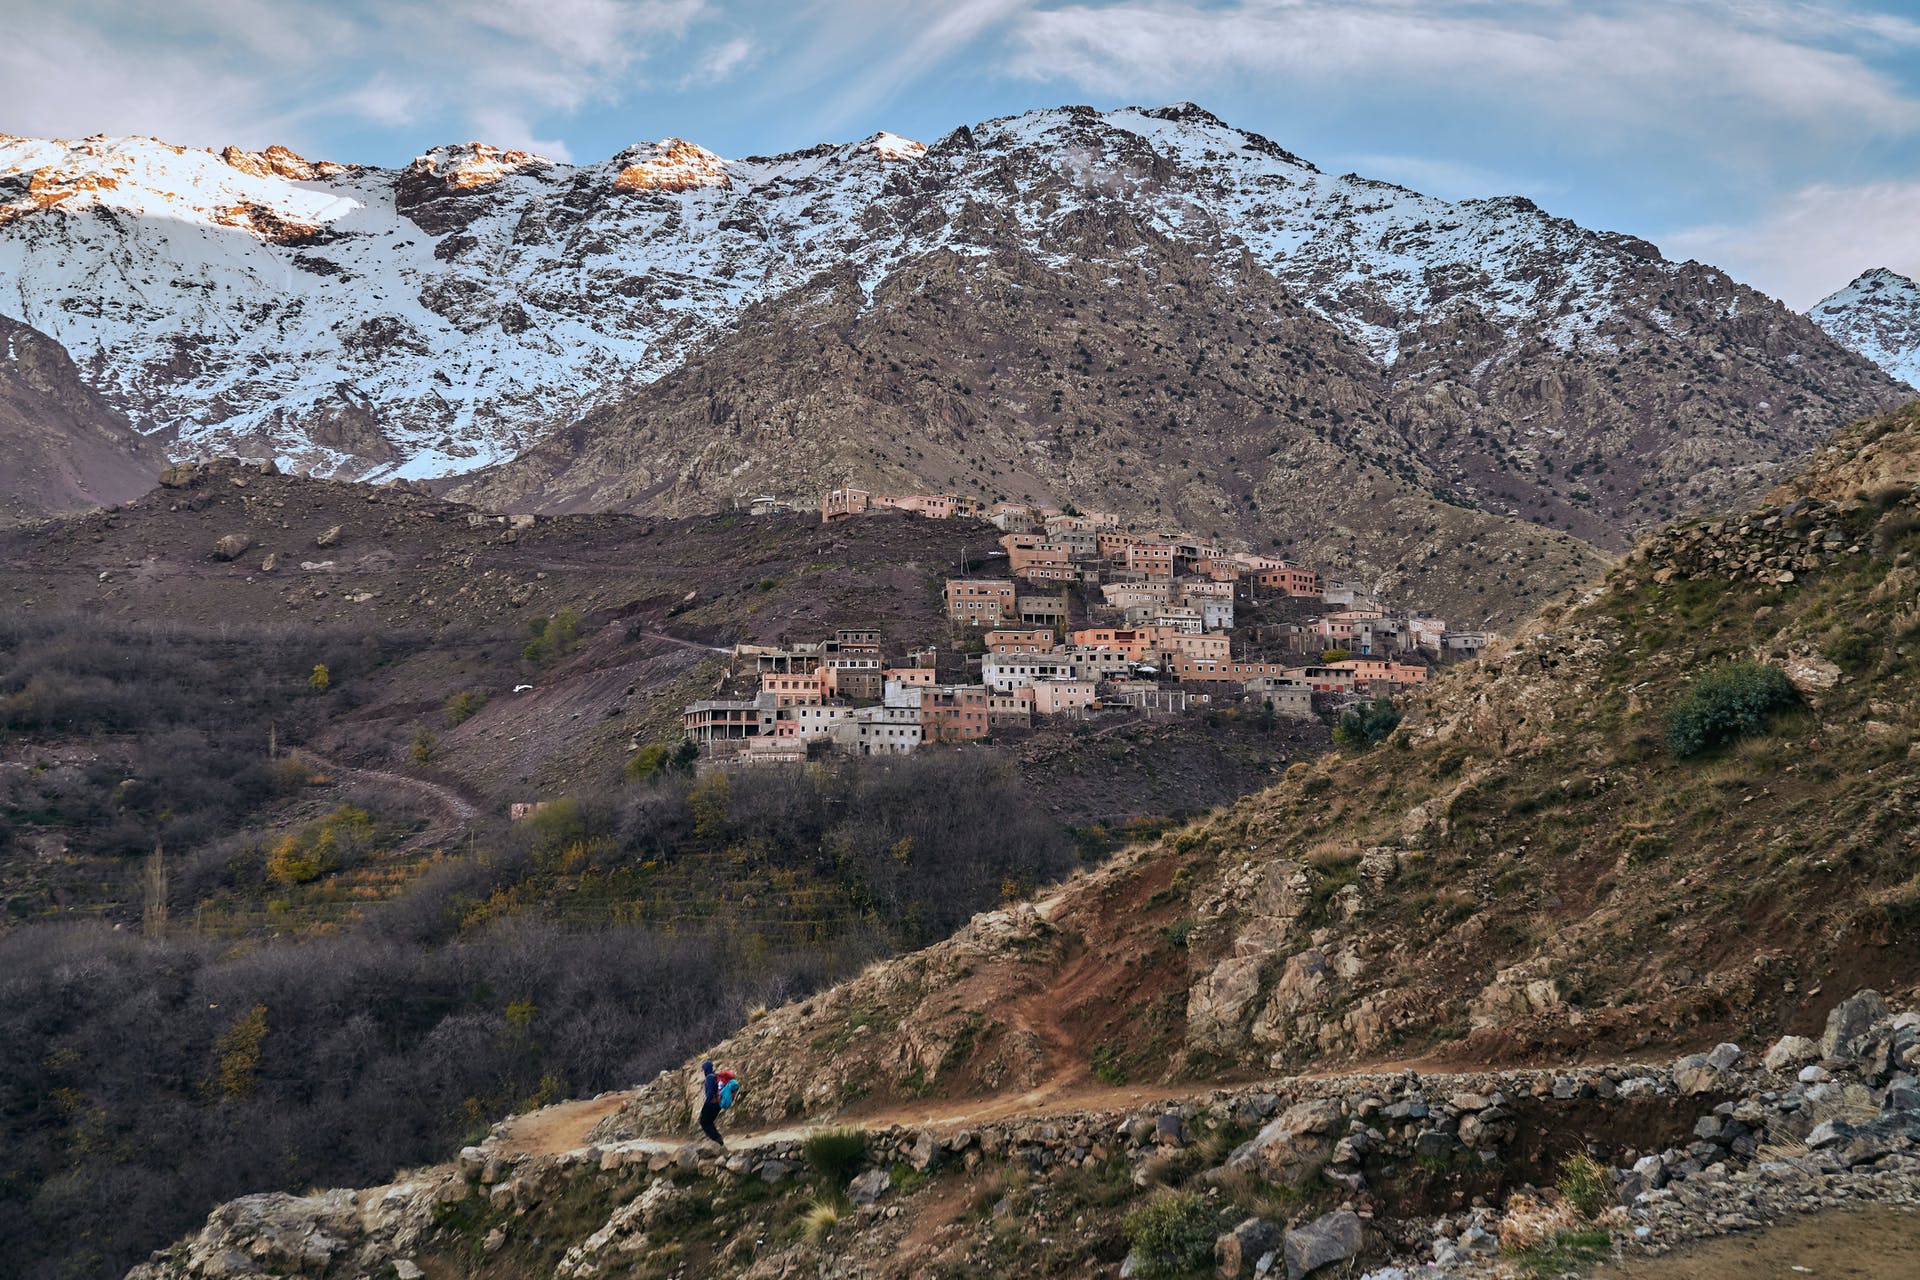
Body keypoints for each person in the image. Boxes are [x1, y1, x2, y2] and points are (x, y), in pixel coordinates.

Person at [697, 1059, 726, 1147]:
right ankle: (717, 1138)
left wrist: (706, 1103)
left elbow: (710, 1093)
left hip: (711, 1103)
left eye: (703, 1069)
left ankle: (716, 1139)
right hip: (718, 1103)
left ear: (706, 1069)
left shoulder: (709, 1078)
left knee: (704, 1121)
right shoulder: (715, 1076)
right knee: (709, 1121)